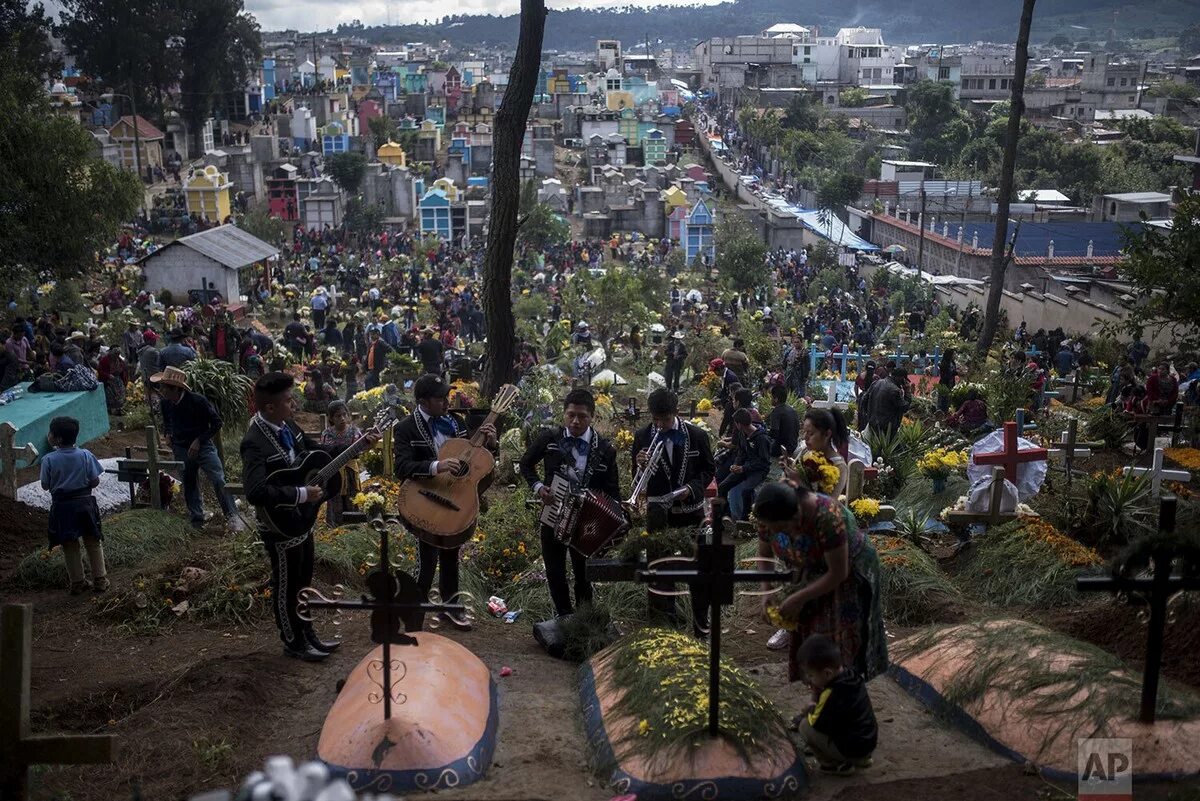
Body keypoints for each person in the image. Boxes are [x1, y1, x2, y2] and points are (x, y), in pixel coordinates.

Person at [241, 372, 375, 661]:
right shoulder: (254, 441)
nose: (295, 405)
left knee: (303, 581)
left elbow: (317, 451)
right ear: (269, 408)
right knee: (286, 584)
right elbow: (255, 491)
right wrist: (301, 494)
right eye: (289, 401)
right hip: (279, 525)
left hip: (302, 520)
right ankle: (293, 640)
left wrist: (356, 446)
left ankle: (308, 633)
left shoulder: (288, 425)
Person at [753, 482, 888, 685]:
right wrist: (766, 592)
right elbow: (764, 556)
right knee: (809, 632)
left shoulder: (827, 516)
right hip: (810, 570)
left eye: (783, 529)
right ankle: (819, 693)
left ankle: (843, 690)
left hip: (847, 573)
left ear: (797, 516)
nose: (780, 533)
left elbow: (838, 573)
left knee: (836, 638)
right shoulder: (769, 513)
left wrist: (798, 598)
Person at [394, 374, 497, 629]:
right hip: (425, 500)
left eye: (446, 396)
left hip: (453, 499)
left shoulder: (456, 422)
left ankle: (450, 610)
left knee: (451, 556)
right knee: (426, 561)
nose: (446, 402)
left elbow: (473, 463)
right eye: (440, 398)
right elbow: (402, 467)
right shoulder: (406, 428)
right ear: (423, 402)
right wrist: (437, 466)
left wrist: (490, 445)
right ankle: (413, 614)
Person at [519, 389, 620, 618]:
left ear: (592, 416)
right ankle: (563, 616)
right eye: (571, 415)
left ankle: (584, 620)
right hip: (553, 512)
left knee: (584, 573)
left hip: (586, 521)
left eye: (582, 416)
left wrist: (611, 517)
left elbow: (612, 490)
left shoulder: (605, 449)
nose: (575, 421)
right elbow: (526, 464)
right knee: (555, 571)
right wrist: (538, 487)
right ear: (564, 414)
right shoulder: (550, 438)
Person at [632, 388, 715, 631]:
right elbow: (637, 482)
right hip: (659, 514)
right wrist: (639, 465)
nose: (659, 426)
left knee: (698, 566)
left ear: (676, 413)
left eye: (665, 420)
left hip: (691, 511)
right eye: (655, 420)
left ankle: (701, 621)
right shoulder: (642, 436)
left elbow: (708, 470)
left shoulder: (697, 435)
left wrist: (692, 488)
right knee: (659, 567)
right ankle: (663, 622)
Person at [151, 366, 243, 531]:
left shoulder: (197, 401)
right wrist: (168, 434)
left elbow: (216, 423)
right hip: (181, 448)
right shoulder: (166, 403)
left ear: (175, 389)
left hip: (203, 446)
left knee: (218, 479)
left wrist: (199, 440)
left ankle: (233, 516)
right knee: (189, 481)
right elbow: (167, 422)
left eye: (164, 387)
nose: (161, 390)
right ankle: (197, 519)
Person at [40, 416, 108, 595]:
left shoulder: (48, 460)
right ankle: (100, 579)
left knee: (69, 544)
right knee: (93, 540)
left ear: (57, 439)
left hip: (62, 507)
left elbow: (45, 486)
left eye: (51, 433)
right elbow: (95, 481)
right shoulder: (86, 455)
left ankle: (78, 582)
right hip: (85, 503)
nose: (49, 435)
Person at [794, 634, 878, 774]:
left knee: (804, 726)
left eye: (811, 675)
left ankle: (833, 763)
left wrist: (807, 711)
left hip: (852, 748)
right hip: (868, 743)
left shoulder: (831, 693)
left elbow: (817, 723)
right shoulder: (853, 676)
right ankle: (861, 759)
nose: (809, 680)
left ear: (827, 673)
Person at [718, 408, 773, 523]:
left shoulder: (761, 438)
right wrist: (736, 465)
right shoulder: (743, 433)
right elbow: (741, 452)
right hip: (744, 467)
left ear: (739, 424)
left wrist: (744, 468)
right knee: (723, 486)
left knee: (746, 490)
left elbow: (764, 461)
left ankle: (745, 520)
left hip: (759, 470)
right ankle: (724, 516)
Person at [319, 400, 361, 526]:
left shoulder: (354, 431)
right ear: (331, 418)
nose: (342, 418)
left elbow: (358, 450)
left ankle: (354, 525)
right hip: (334, 472)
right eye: (338, 416)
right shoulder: (327, 434)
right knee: (335, 498)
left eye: (344, 414)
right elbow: (329, 452)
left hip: (350, 472)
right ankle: (335, 525)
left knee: (352, 497)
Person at [859, 367, 910, 435]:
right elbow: (905, 407)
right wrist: (907, 392)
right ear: (901, 378)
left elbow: (864, 400)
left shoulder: (876, 383)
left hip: (873, 425)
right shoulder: (895, 390)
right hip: (887, 430)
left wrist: (868, 417)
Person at [767, 383, 800, 457]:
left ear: (776, 399)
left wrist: (765, 433)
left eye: (771, 397)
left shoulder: (776, 411)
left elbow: (774, 433)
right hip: (793, 445)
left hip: (782, 448)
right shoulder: (791, 409)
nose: (770, 399)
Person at [937, 349, 957, 413]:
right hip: (944, 383)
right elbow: (944, 375)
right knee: (943, 400)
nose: (955, 355)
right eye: (954, 354)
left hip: (951, 383)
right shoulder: (944, 363)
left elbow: (953, 372)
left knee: (949, 400)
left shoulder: (953, 362)